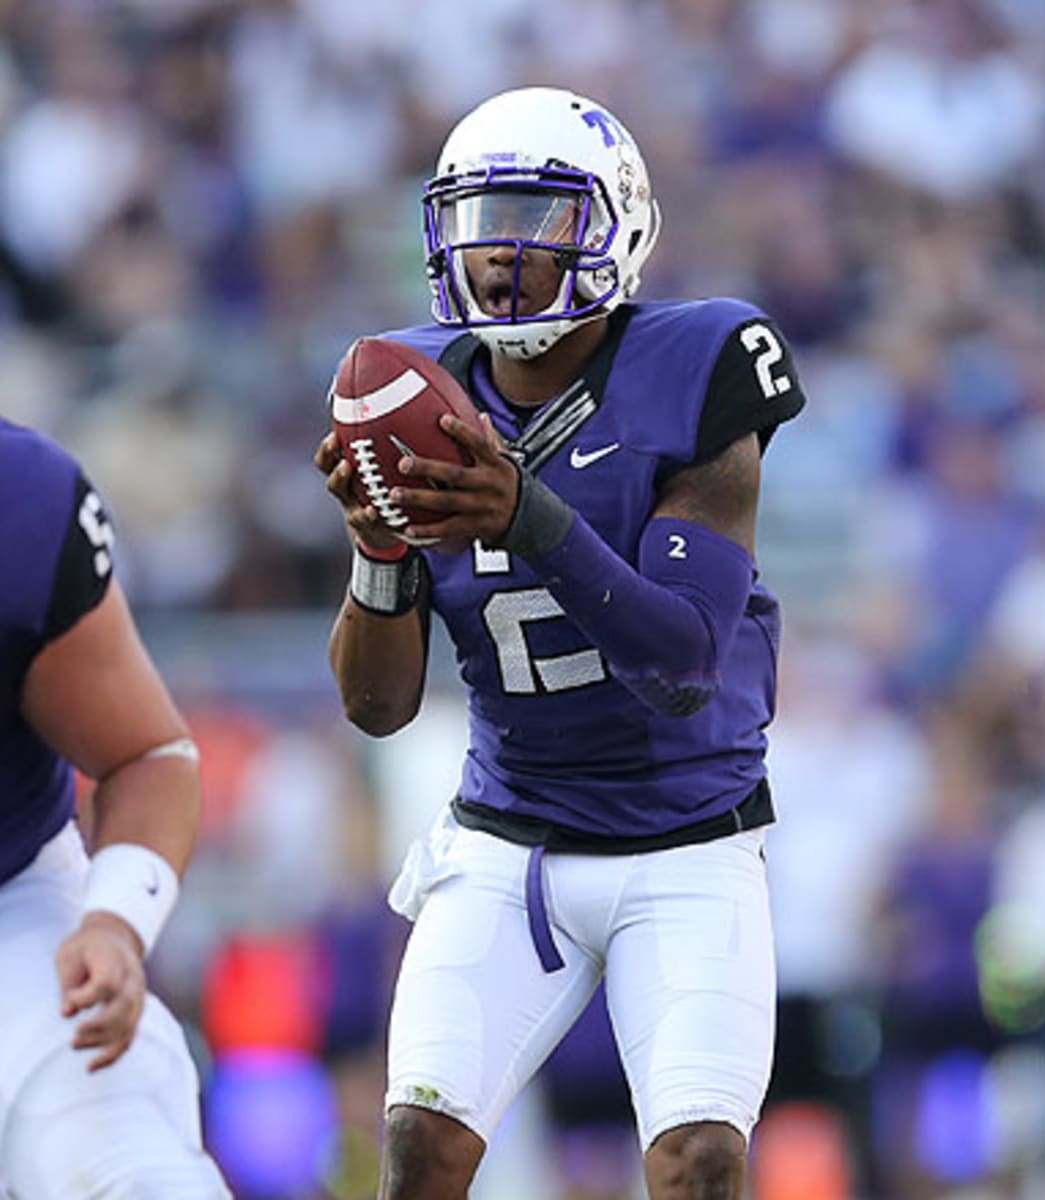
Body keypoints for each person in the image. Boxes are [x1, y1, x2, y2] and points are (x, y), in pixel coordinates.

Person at [314, 85, 805, 1200]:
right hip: (508, 837)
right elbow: (380, 708)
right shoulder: (406, 387)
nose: (501, 253)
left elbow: (682, 663)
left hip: (689, 835)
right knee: (420, 1147)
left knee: (700, 1161)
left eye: (538, 218)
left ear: (617, 225)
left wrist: (524, 515)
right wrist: (378, 548)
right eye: (480, 218)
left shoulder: (698, 361)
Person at [0, 417, 230, 1197]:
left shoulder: (19, 500)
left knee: (120, 1161)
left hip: (10, 908)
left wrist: (113, 922)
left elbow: (146, 756)